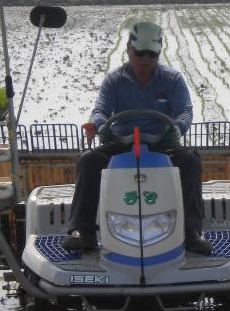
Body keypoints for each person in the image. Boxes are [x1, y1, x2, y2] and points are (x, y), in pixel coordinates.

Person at [62, 21, 213, 255]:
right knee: (88, 161)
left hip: (162, 143)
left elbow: (185, 110)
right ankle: (82, 232)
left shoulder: (172, 79)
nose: (144, 59)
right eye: (139, 53)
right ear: (128, 50)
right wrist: (102, 126)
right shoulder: (114, 80)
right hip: (120, 143)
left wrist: (177, 128)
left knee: (190, 161)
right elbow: (100, 110)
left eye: (151, 54)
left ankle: (191, 232)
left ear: (159, 53)